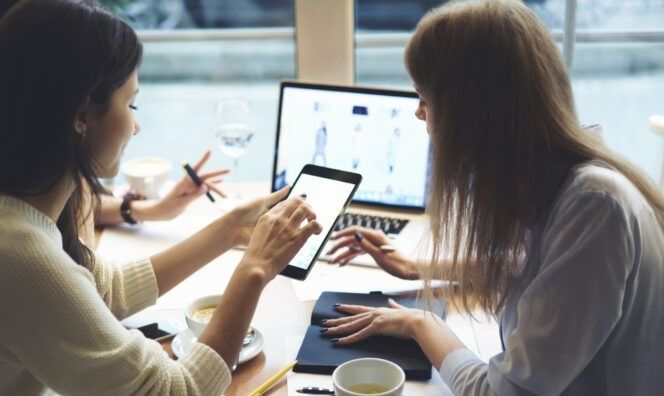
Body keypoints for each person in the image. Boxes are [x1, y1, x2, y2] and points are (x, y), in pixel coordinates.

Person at [324, 1, 664, 395]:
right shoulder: (552, 183)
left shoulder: (596, 208)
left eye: (425, 99)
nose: (419, 114)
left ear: (473, 113)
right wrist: (415, 267)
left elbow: (501, 392)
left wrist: (422, 324)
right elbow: (533, 266)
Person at [0, 1, 322, 395]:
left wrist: (229, 230)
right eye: (130, 104)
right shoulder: (19, 255)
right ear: (81, 116)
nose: (136, 127)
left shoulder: (25, 217)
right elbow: (173, 391)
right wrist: (254, 270)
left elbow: (104, 292)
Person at [78, 149, 228, 247]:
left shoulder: (71, 191)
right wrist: (228, 229)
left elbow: (80, 205)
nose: (136, 128)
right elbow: (105, 284)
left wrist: (158, 209)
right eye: (130, 107)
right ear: (81, 120)